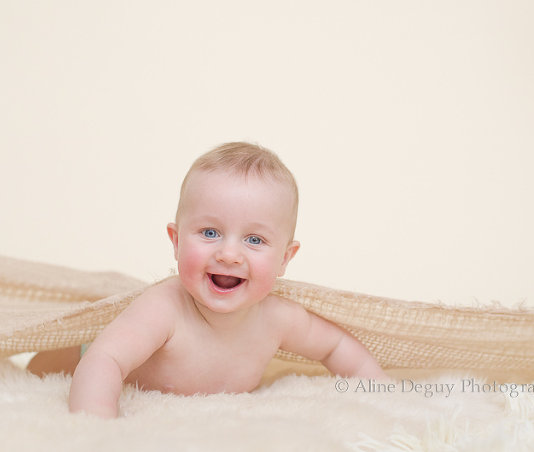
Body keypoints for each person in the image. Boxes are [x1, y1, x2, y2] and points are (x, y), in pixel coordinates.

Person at [29, 141, 387, 418]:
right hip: (76, 355)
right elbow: (104, 360)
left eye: (254, 240)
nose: (229, 254)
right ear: (176, 241)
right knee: (38, 371)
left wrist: (384, 393)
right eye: (211, 232)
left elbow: (336, 347)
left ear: (284, 259)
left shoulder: (278, 318)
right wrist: (95, 429)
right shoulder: (164, 308)